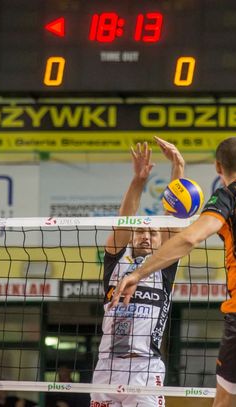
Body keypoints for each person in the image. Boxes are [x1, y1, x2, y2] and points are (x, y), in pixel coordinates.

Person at [111, 137, 236, 407]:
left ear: (218, 167)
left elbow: (190, 237)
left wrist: (138, 274)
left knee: (225, 402)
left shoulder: (227, 196)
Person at [90, 137, 185, 407]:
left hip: (145, 368)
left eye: (152, 232)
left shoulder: (163, 264)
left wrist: (178, 167)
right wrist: (139, 180)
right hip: (107, 365)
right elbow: (124, 220)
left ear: (160, 239)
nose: (145, 236)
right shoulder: (116, 260)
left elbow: (173, 219)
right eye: (140, 231)